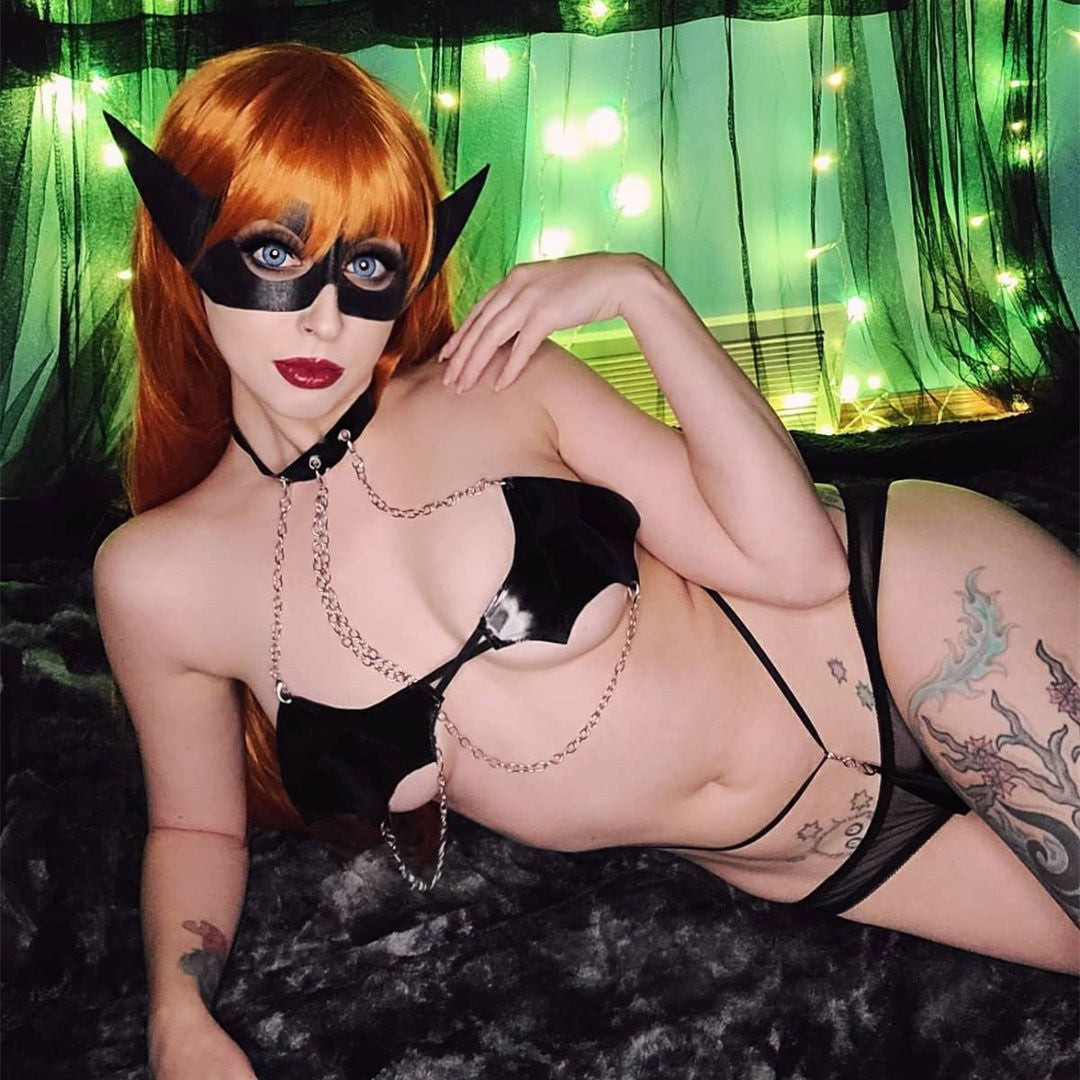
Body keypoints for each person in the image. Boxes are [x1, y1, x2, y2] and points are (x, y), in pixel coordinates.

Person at [92, 40, 1078, 1080]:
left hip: (906, 613)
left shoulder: (493, 383)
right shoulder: (157, 579)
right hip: (821, 850)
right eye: (272, 254)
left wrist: (643, 292)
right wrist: (177, 1017)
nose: (327, 316)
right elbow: (195, 828)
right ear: (182, 243)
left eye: (368, 264)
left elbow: (802, 570)